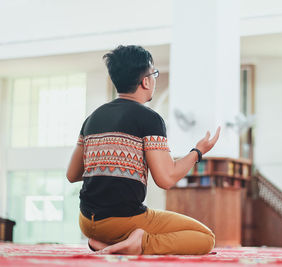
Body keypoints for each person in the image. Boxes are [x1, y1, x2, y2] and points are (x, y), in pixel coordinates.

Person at [66, 45, 220, 255]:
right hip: (123, 221)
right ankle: (139, 244)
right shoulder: (150, 119)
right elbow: (166, 179)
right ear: (145, 81)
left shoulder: (92, 118)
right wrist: (199, 151)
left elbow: (72, 175)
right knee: (205, 238)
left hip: (87, 222)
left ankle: (109, 244)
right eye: (154, 73)